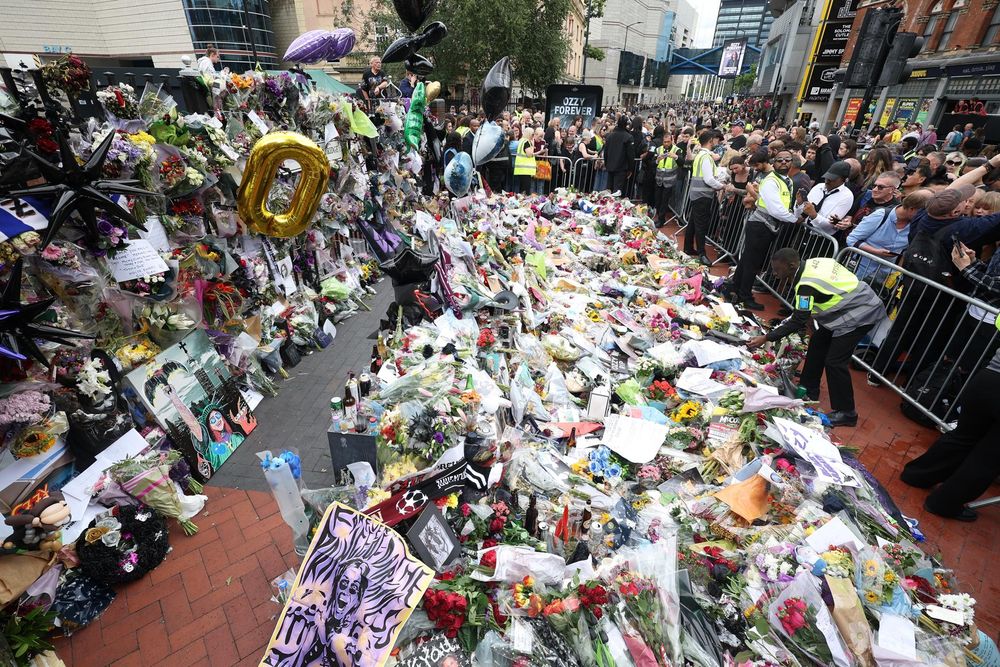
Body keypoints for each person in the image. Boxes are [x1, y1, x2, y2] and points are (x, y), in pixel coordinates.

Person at [747, 251, 887, 427]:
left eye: (777, 270)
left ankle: (847, 412)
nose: (774, 274)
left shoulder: (806, 286)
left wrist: (766, 337)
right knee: (818, 343)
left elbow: (799, 319)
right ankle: (809, 389)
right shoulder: (814, 262)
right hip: (851, 306)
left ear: (791, 266)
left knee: (835, 361)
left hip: (861, 313)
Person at [900, 342, 1000, 521]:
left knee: (963, 437)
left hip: (989, 378)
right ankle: (944, 503)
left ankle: (917, 475)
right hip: (991, 379)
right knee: (988, 457)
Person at [726, 149, 799, 310]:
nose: (784, 162)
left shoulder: (788, 181)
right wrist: (794, 218)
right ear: (774, 162)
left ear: (792, 162)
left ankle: (734, 287)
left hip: (767, 226)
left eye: (787, 159)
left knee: (747, 259)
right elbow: (775, 209)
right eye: (780, 160)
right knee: (752, 263)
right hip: (761, 225)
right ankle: (745, 295)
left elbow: (786, 205)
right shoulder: (772, 180)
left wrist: (795, 212)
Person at [847, 190, 930, 279]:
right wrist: (875, 251)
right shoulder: (881, 215)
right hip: (857, 271)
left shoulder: (915, 226)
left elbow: (906, 251)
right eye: (923, 213)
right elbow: (852, 239)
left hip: (883, 278)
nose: (924, 217)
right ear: (912, 209)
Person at [685, 130, 728, 264]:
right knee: (700, 225)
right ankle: (701, 253)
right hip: (703, 195)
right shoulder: (705, 157)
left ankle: (688, 247)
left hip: (697, 194)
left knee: (693, 222)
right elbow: (709, 179)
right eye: (715, 140)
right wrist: (722, 186)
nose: (717, 142)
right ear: (710, 141)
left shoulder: (700, 155)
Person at [801, 161, 854, 235]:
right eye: (827, 177)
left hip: (820, 238)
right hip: (803, 231)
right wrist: (798, 204)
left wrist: (814, 215)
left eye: (833, 179)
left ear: (844, 180)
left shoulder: (847, 196)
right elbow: (800, 213)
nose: (828, 181)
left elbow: (830, 224)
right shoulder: (818, 187)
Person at [653, 132, 681, 227]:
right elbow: (652, 163)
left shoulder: (676, 150)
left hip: (670, 181)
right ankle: (658, 218)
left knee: (664, 201)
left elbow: (681, 162)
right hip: (659, 180)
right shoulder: (658, 149)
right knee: (658, 200)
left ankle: (661, 220)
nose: (666, 144)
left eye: (668, 142)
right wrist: (657, 160)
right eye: (664, 142)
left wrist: (676, 157)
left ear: (672, 141)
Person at [603, 115, 635, 194]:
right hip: (621, 168)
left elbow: (605, 153)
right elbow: (630, 155)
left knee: (609, 191)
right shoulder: (628, 137)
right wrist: (631, 168)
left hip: (610, 166)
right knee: (617, 192)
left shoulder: (610, 136)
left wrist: (607, 164)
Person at [512, 127, 536, 193]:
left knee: (521, 189)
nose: (533, 136)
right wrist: (533, 146)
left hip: (520, 169)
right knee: (526, 190)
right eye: (532, 134)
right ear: (529, 134)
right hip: (525, 169)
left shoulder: (521, 140)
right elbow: (529, 154)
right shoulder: (527, 142)